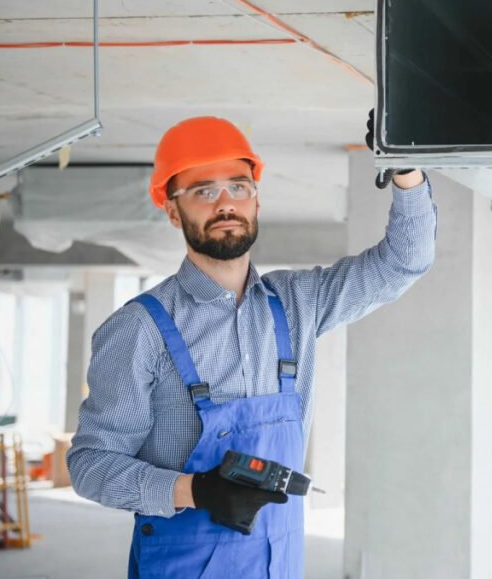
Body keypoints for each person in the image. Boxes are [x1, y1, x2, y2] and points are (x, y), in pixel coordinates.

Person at [66, 114, 436, 578]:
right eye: (204, 191)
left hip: (278, 563)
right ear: (172, 210)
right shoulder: (140, 328)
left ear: (256, 200)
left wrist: (407, 170)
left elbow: (405, 261)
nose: (226, 203)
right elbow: (90, 465)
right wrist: (193, 491)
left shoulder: (299, 304)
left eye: (239, 187)